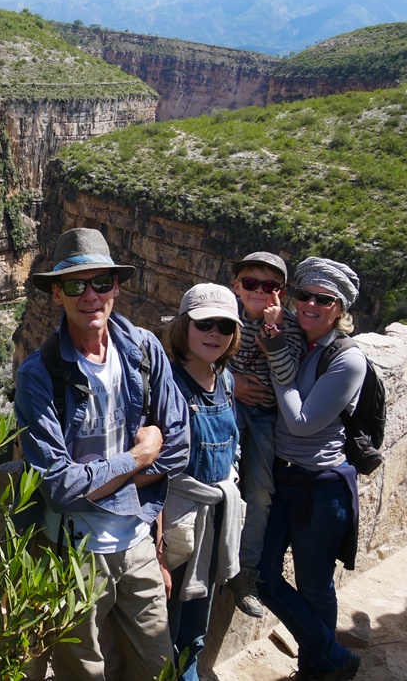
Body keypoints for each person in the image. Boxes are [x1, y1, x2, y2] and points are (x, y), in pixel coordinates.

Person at [16, 227, 191, 681]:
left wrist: (99, 484)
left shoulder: (146, 351)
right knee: (88, 674)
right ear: (57, 292)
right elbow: (57, 487)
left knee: (158, 668)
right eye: (75, 284)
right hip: (75, 555)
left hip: (137, 545)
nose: (89, 295)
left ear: (116, 286)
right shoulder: (40, 375)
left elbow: (178, 451)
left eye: (100, 283)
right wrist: (136, 459)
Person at [256, 257, 365, 681]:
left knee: (315, 585)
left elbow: (302, 423)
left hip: (321, 487)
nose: (310, 305)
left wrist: (273, 359)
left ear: (339, 309)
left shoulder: (347, 359)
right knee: (262, 576)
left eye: (324, 299)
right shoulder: (301, 342)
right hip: (284, 478)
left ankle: (316, 669)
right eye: (304, 295)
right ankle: (333, 658)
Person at [160, 284, 245, 681]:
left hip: (214, 520)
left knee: (196, 624)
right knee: (167, 626)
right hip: (178, 528)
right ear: (184, 327)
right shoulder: (168, 386)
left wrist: (232, 482)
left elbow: (234, 445)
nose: (214, 333)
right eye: (204, 323)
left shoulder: (224, 380)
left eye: (224, 326)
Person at [227, 253, 305, 617]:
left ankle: (246, 571)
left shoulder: (288, 326)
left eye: (269, 286)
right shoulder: (223, 315)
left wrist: (271, 336)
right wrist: (233, 384)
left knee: (260, 492)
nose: (259, 291)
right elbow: (194, 355)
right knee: (220, 480)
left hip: (264, 416)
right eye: (251, 283)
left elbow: (287, 375)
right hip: (226, 406)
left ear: (282, 293)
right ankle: (210, 559)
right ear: (237, 286)